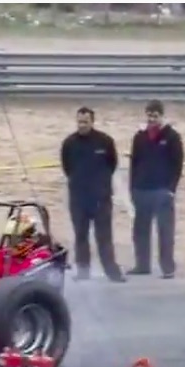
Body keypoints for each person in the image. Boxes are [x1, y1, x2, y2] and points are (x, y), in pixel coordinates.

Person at [60, 106, 125, 283]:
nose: (82, 125)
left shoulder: (105, 142)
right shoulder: (69, 143)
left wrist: (100, 187)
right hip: (78, 199)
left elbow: (112, 164)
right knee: (80, 236)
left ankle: (112, 272)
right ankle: (83, 271)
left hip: (101, 199)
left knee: (104, 237)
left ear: (92, 122)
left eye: (85, 122)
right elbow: (67, 167)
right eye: (79, 122)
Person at [128, 99, 184, 279]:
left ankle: (168, 268)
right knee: (140, 231)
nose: (152, 118)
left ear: (161, 116)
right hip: (142, 190)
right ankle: (142, 265)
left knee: (165, 231)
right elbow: (134, 163)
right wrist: (133, 187)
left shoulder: (172, 137)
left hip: (162, 191)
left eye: (155, 115)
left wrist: (171, 189)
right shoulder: (140, 137)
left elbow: (177, 165)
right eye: (149, 115)